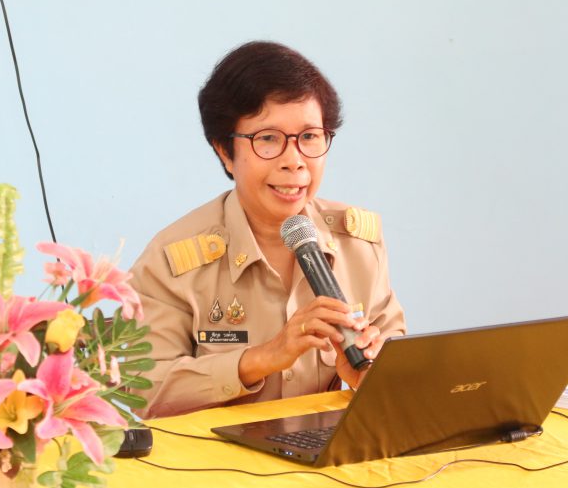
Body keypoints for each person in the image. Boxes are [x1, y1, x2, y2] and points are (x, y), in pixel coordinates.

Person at [129, 41, 406, 419]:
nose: (294, 162)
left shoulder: (357, 243)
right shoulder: (171, 259)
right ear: (224, 150)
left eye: (309, 137)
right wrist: (262, 358)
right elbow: (143, 391)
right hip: (213, 455)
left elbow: (398, 367)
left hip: (325, 448)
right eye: (268, 139)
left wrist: (367, 374)